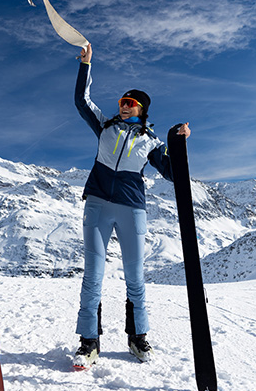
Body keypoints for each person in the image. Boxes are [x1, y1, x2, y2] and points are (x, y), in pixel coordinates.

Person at [72, 43, 190, 369]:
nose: (123, 106)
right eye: (122, 101)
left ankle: (137, 338)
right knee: (93, 277)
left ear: (141, 109)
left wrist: (177, 141)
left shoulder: (151, 141)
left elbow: (170, 171)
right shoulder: (105, 127)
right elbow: (82, 101)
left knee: (135, 278)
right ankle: (88, 342)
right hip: (97, 204)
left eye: (130, 103)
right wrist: (86, 65)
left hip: (132, 209)